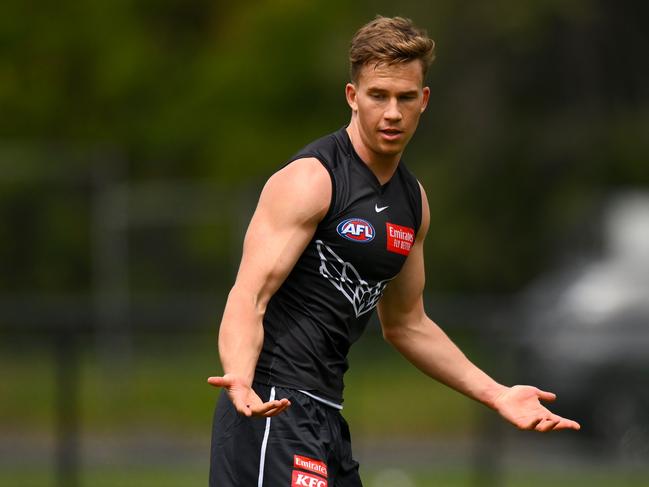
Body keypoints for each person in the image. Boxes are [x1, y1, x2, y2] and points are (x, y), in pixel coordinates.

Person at [207, 15, 580, 487]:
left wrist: (498, 394)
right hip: (269, 405)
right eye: (378, 95)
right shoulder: (312, 180)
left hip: (325, 416)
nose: (392, 113)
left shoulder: (412, 204)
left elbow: (408, 324)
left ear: (423, 101)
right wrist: (239, 376)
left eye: (405, 98)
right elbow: (248, 297)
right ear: (352, 96)